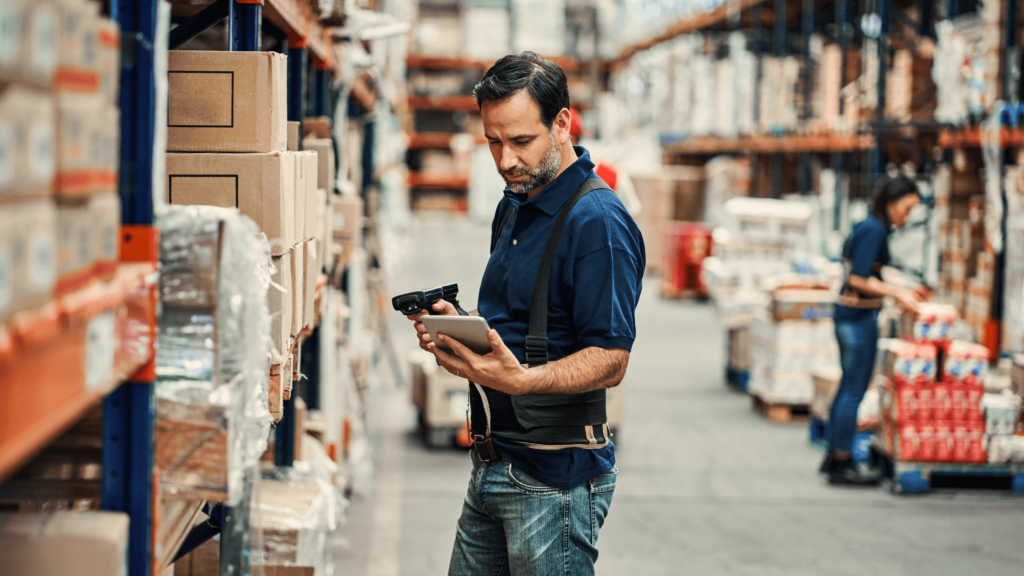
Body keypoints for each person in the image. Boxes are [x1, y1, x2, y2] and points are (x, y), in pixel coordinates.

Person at [404, 52, 645, 575]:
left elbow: (611, 357)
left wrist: (521, 380)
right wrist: (457, 331)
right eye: (493, 141)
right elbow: (519, 322)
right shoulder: (516, 202)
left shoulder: (597, 223)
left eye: (520, 142)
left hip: (554, 484)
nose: (505, 160)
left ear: (561, 123)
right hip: (494, 465)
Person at [823, 175, 927, 485]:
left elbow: (874, 272)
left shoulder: (872, 227)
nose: (905, 217)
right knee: (854, 390)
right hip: (857, 319)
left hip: (850, 317)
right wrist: (898, 295)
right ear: (891, 202)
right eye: (905, 209)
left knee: (847, 388)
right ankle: (842, 461)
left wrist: (906, 287)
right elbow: (858, 278)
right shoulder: (874, 229)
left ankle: (835, 454)